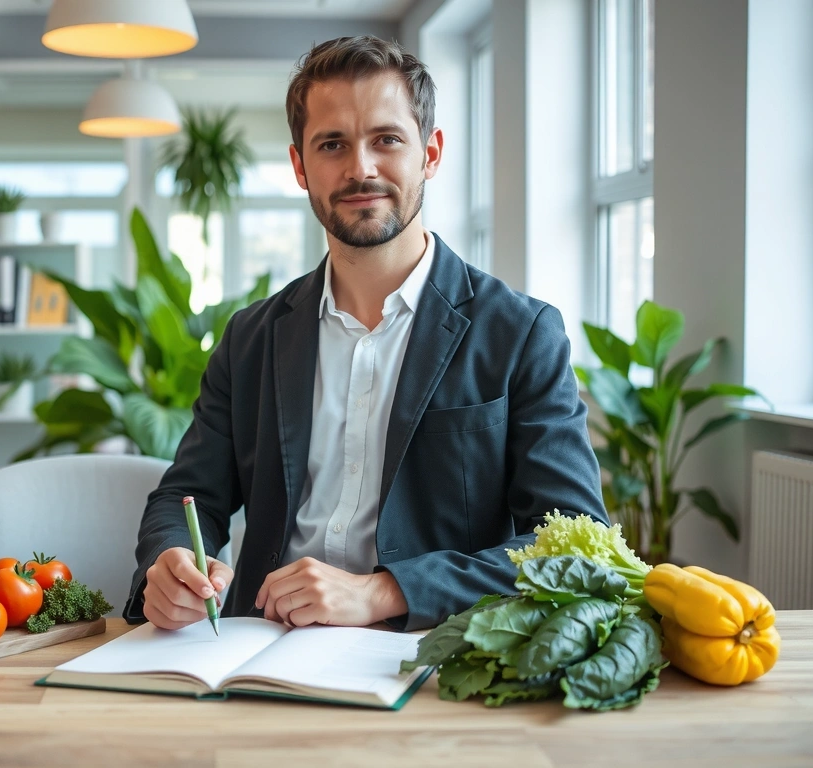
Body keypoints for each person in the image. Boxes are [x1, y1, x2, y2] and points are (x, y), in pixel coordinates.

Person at [122, 35, 607, 633]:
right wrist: (167, 563)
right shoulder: (252, 337)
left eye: (387, 139)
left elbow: (573, 545)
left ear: (430, 153)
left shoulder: (521, 333)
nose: (361, 169)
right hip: (257, 650)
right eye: (332, 145)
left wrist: (384, 593)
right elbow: (187, 495)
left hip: (430, 653)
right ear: (300, 166)